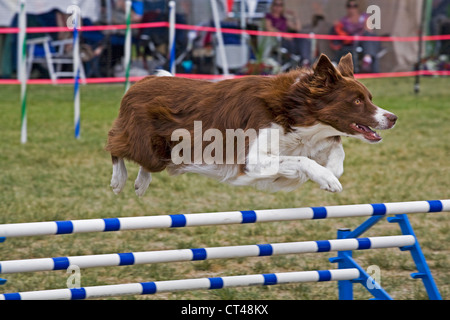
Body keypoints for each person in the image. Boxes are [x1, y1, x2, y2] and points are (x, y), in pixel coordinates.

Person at [331, 0, 381, 73]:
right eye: (349, 6)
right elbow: (339, 34)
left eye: (354, 6)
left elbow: (369, 30)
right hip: (350, 42)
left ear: (358, 7)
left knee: (369, 36)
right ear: (346, 7)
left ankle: (367, 59)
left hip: (363, 41)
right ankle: (366, 61)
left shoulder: (364, 17)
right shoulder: (343, 20)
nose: (352, 8)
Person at [265, 0, 311, 66]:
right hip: (279, 41)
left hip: (288, 39)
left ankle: (305, 61)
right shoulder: (268, 16)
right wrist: (283, 35)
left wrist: (295, 16)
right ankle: (300, 60)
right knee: (291, 43)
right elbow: (269, 28)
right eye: (276, 4)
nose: (278, 7)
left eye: (280, 5)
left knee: (304, 39)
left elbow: (298, 28)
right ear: (272, 6)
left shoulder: (283, 18)